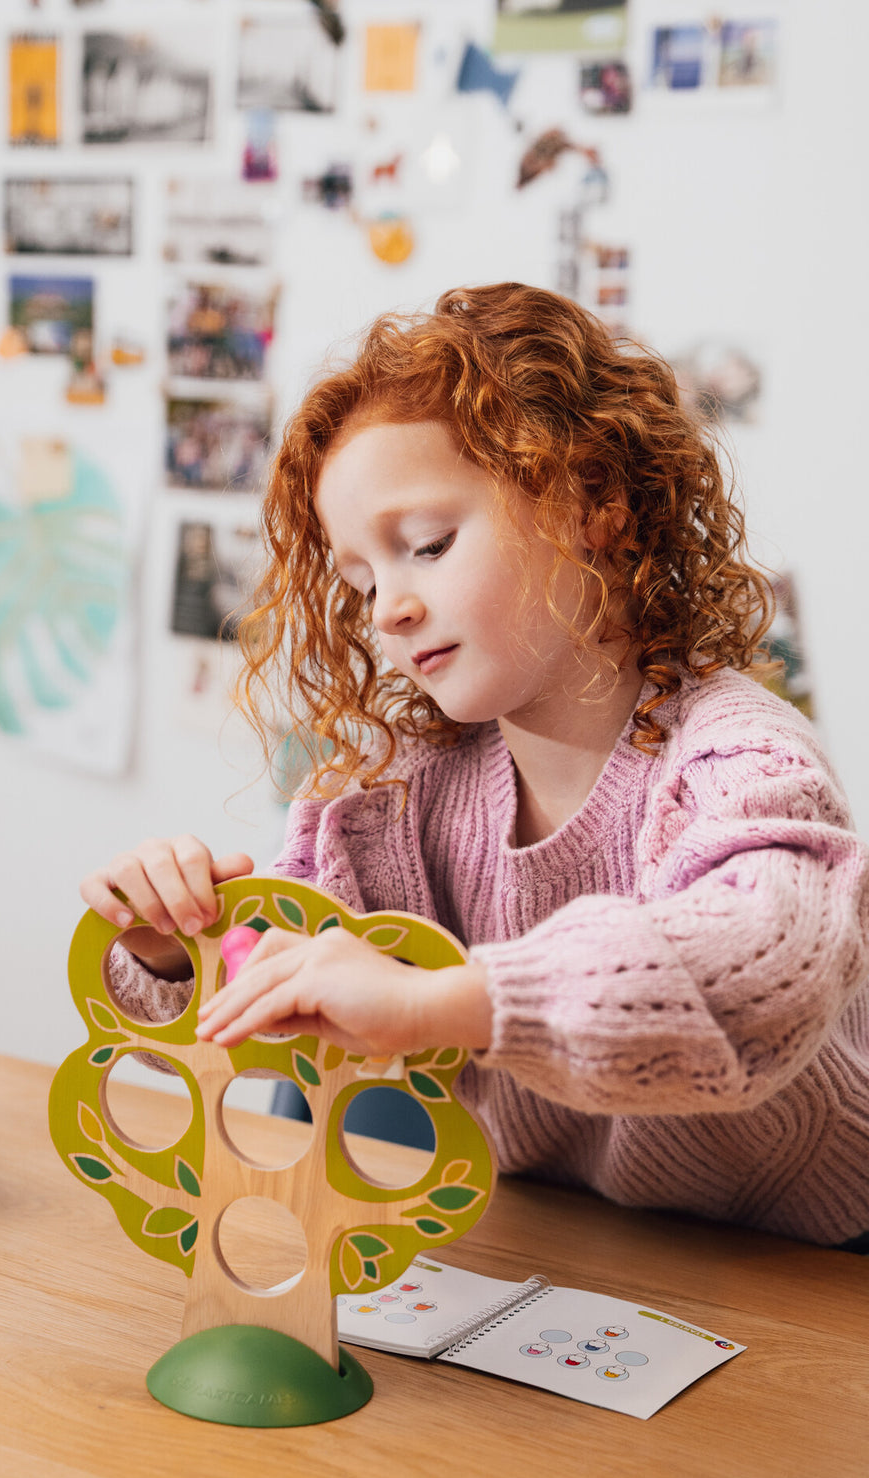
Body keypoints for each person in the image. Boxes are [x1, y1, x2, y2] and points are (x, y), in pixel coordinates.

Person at [81, 283, 869, 1249]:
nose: (387, 611)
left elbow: (761, 974)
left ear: (594, 507)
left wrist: (438, 1001)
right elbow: (278, 1018)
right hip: (565, 1239)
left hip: (812, 1259)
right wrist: (175, 945)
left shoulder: (739, 751)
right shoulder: (395, 796)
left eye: (427, 546)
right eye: (362, 581)